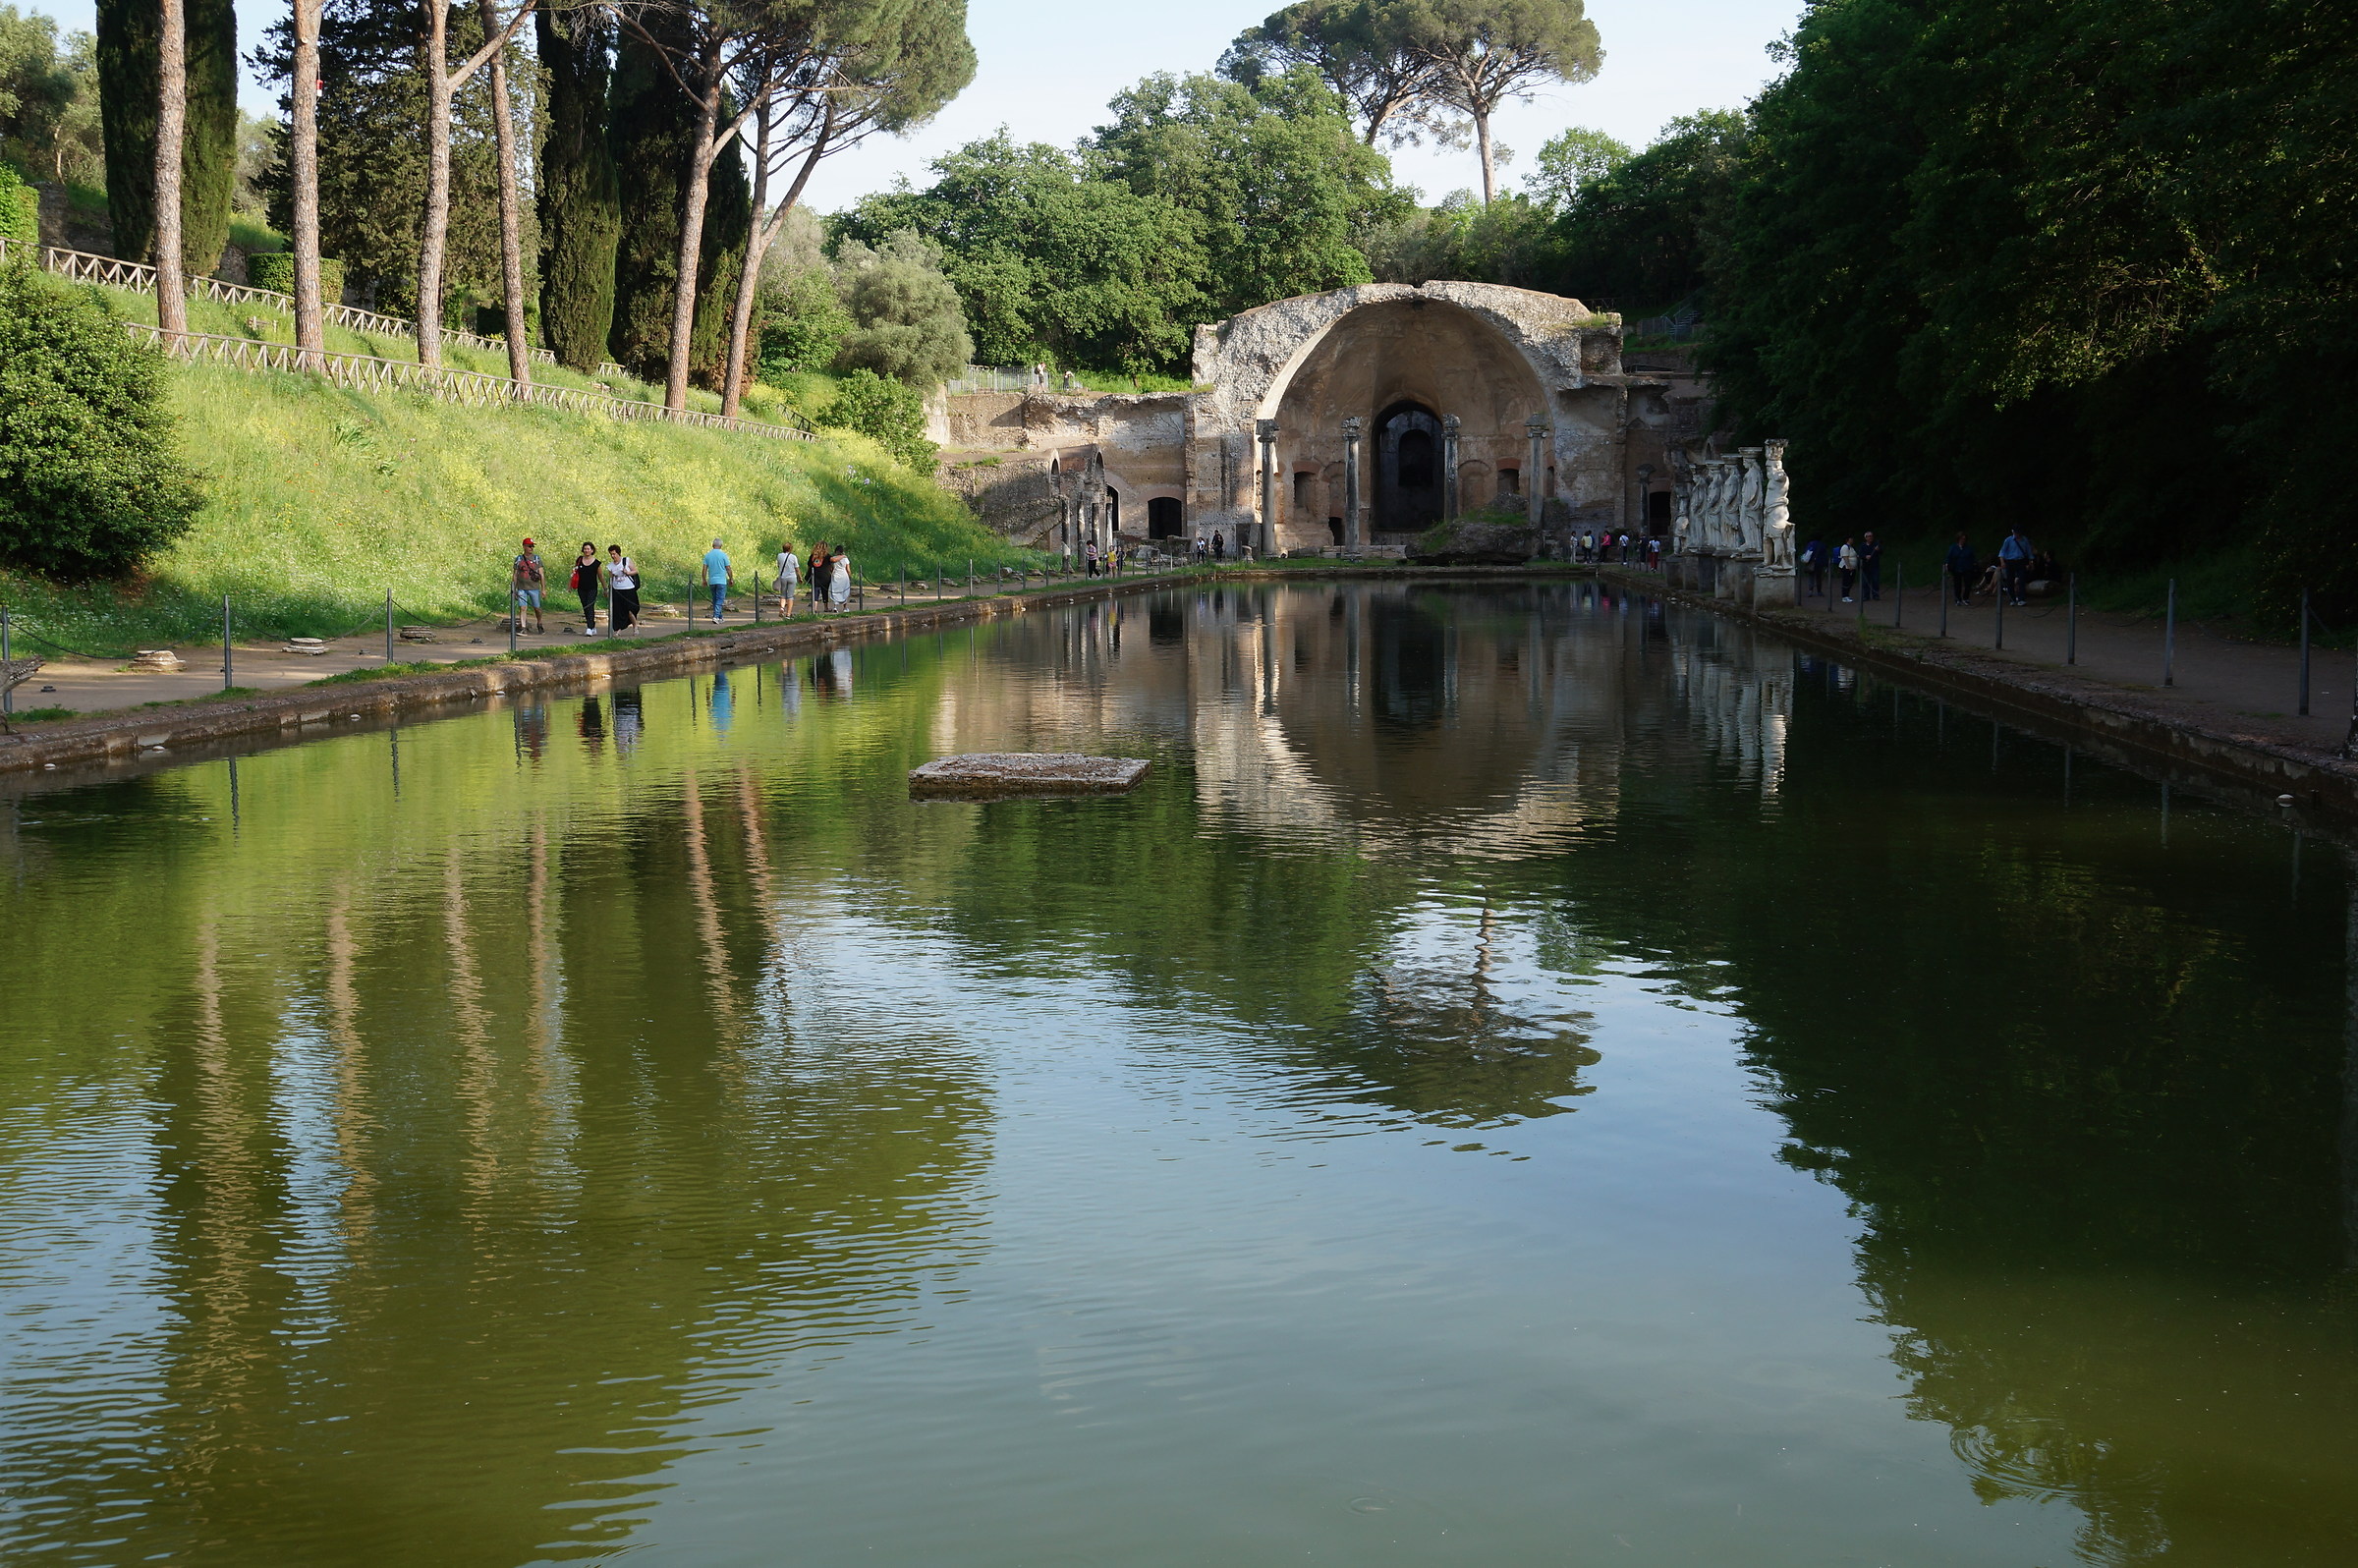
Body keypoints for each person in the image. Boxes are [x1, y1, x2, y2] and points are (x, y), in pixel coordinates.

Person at [511, 537, 546, 634]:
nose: (531, 548)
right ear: (524, 547)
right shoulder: (519, 559)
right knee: (523, 607)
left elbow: (541, 574)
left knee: (537, 608)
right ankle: (523, 627)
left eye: (532, 546)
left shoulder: (537, 559)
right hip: (522, 588)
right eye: (529, 546)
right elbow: (515, 574)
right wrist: (514, 588)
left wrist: (543, 589)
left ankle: (539, 623)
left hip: (534, 588)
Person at [569, 541, 601, 632]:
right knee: (585, 607)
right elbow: (574, 573)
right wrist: (570, 585)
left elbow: (600, 576)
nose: (586, 550)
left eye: (588, 549)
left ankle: (589, 627)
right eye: (585, 549)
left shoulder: (596, 563)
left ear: (592, 550)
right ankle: (592, 624)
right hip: (581, 588)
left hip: (592, 588)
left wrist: (605, 588)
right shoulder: (579, 560)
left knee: (590, 606)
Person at [605, 544, 639, 632]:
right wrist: (609, 589)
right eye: (611, 554)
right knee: (618, 611)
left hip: (628, 589)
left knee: (630, 610)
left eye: (614, 554)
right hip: (617, 590)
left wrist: (627, 572)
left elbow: (635, 571)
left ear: (618, 553)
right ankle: (618, 629)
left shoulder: (626, 561)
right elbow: (611, 579)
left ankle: (635, 626)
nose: (613, 556)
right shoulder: (610, 566)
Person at [1997, 527, 2033, 606]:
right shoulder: (2008, 540)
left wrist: (2030, 561)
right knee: (2010, 581)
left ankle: (2021, 599)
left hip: (2021, 561)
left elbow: (2028, 551)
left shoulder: (2025, 540)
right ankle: (2012, 599)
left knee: (2022, 580)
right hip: (2010, 561)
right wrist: (2002, 562)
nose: (2017, 534)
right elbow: (2002, 551)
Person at [702, 537, 733, 624]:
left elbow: (704, 569)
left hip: (712, 580)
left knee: (715, 599)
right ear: (721, 546)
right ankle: (715, 616)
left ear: (713, 545)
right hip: (721, 581)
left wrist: (704, 579)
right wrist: (731, 578)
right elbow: (728, 568)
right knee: (720, 599)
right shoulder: (724, 555)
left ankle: (720, 617)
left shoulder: (708, 555)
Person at [1945, 532, 1977, 606]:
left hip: (1967, 568)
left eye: (1964, 539)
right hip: (1957, 568)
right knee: (1957, 585)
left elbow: (1973, 557)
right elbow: (1949, 557)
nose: (1963, 540)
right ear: (1958, 539)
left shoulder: (1968, 548)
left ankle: (1966, 598)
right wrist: (1947, 564)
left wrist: (1974, 564)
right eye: (1962, 539)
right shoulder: (1953, 548)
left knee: (1968, 584)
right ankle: (1958, 599)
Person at [773, 540, 799, 616]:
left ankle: (782, 608)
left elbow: (778, 565)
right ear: (790, 549)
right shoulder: (793, 557)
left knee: (783, 595)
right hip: (792, 577)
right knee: (790, 596)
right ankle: (788, 613)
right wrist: (800, 577)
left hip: (783, 577)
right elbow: (797, 568)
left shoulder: (779, 556)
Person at [1859, 532, 1883, 601]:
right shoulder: (1862, 545)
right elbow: (1860, 554)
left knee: (1875, 581)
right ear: (1866, 538)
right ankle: (1866, 596)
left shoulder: (1876, 545)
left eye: (1871, 536)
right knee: (1865, 582)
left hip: (1875, 566)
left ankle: (1875, 595)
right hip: (1866, 566)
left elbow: (1881, 552)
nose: (1870, 537)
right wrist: (1865, 556)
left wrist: (1878, 550)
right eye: (1869, 536)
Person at [808, 542, 831, 611]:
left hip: (814, 575)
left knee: (815, 592)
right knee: (825, 592)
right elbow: (831, 565)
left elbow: (809, 565)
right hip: (825, 576)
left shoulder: (813, 556)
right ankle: (826, 607)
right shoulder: (828, 556)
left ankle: (814, 608)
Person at [1836, 536, 1860, 602]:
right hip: (1846, 567)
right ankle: (1844, 596)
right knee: (1846, 581)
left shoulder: (1851, 548)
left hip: (1852, 567)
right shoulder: (1845, 547)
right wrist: (1849, 566)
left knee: (1850, 581)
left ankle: (1847, 595)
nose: (1852, 540)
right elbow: (1845, 557)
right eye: (1851, 539)